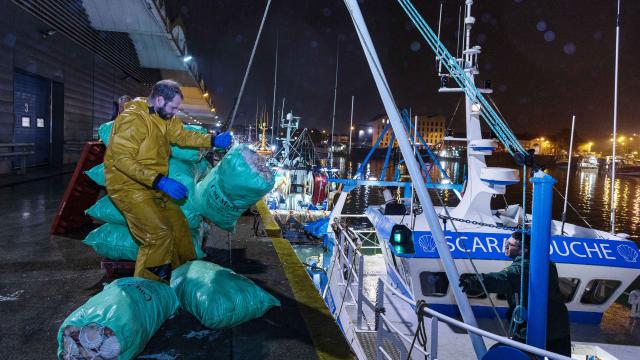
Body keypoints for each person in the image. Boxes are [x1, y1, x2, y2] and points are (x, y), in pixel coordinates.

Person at [104, 80, 232, 282]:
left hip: (153, 184)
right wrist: (160, 182)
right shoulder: (133, 120)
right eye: (173, 107)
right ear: (160, 99)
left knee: (179, 224)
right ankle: (149, 288)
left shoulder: (164, 117)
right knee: (158, 235)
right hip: (129, 186)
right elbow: (122, 160)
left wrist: (212, 140)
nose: (175, 112)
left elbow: (181, 136)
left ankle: (184, 276)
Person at [458, 232, 571, 356]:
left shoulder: (523, 268)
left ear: (524, 250)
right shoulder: (547, 263)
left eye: (509, 245)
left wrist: (473, 281)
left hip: (535, 329)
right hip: (559, 326)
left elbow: (502, 278)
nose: (505, 247)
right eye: (506, 243)